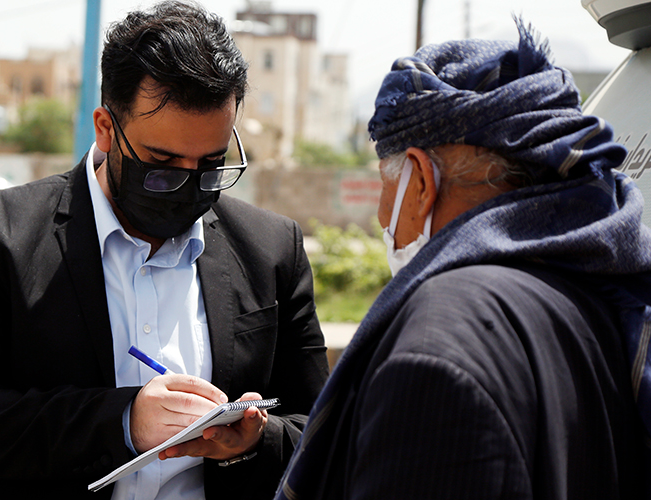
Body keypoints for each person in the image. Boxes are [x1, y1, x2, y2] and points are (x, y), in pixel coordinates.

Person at [0, 2, 329, 499]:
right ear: (106, 129)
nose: (187, 187)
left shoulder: (271, 249)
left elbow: (321, 433)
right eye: (162, 164)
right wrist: (124, 421)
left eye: (211, 165)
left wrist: (254, 441)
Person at [275, 20, 651, 500]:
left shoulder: (439, 344)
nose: (382, 215)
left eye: (386, 185)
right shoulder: (608, 292)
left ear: (420, 183)